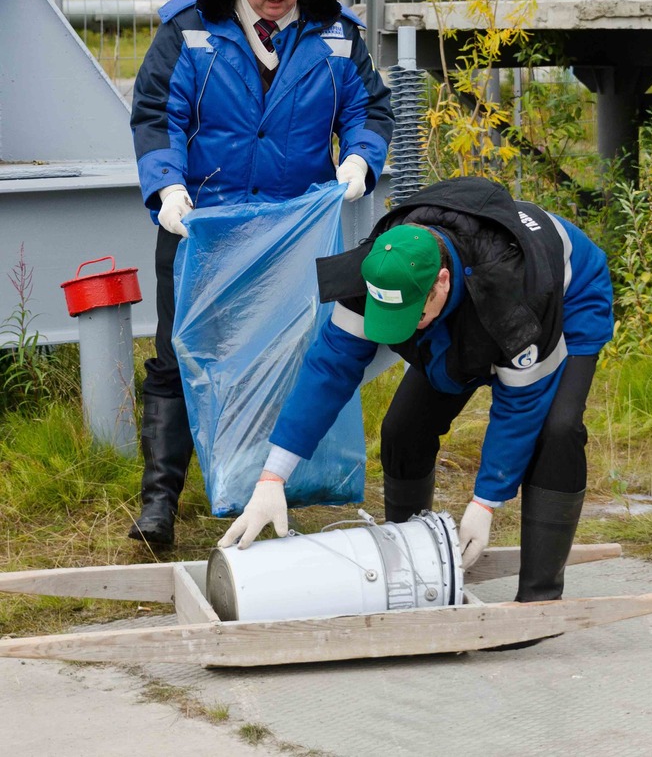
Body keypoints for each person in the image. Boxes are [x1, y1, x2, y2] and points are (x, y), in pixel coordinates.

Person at [219, 176, 614, 606]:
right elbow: (328, 370)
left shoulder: (511, 297)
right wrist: (272, 478)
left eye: (411, 313)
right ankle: (413, 567)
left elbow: (520, 408)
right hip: (463, 305)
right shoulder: (380, 265)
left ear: (440, 282)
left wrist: (485, 504)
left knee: (557, 430)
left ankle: (539, 597)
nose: (401, 329)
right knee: (403, 431)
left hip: (565, 296)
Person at [128, 0, 394, 545]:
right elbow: (155, 112)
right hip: (203, 226)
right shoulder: (190, 29)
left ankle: (269, 485)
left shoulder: (333, 33)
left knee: (297, 352)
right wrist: (166, 186)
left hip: (295, 230)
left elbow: (369, 106)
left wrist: (361, 156)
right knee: (180, 353)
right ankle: (159, 503)